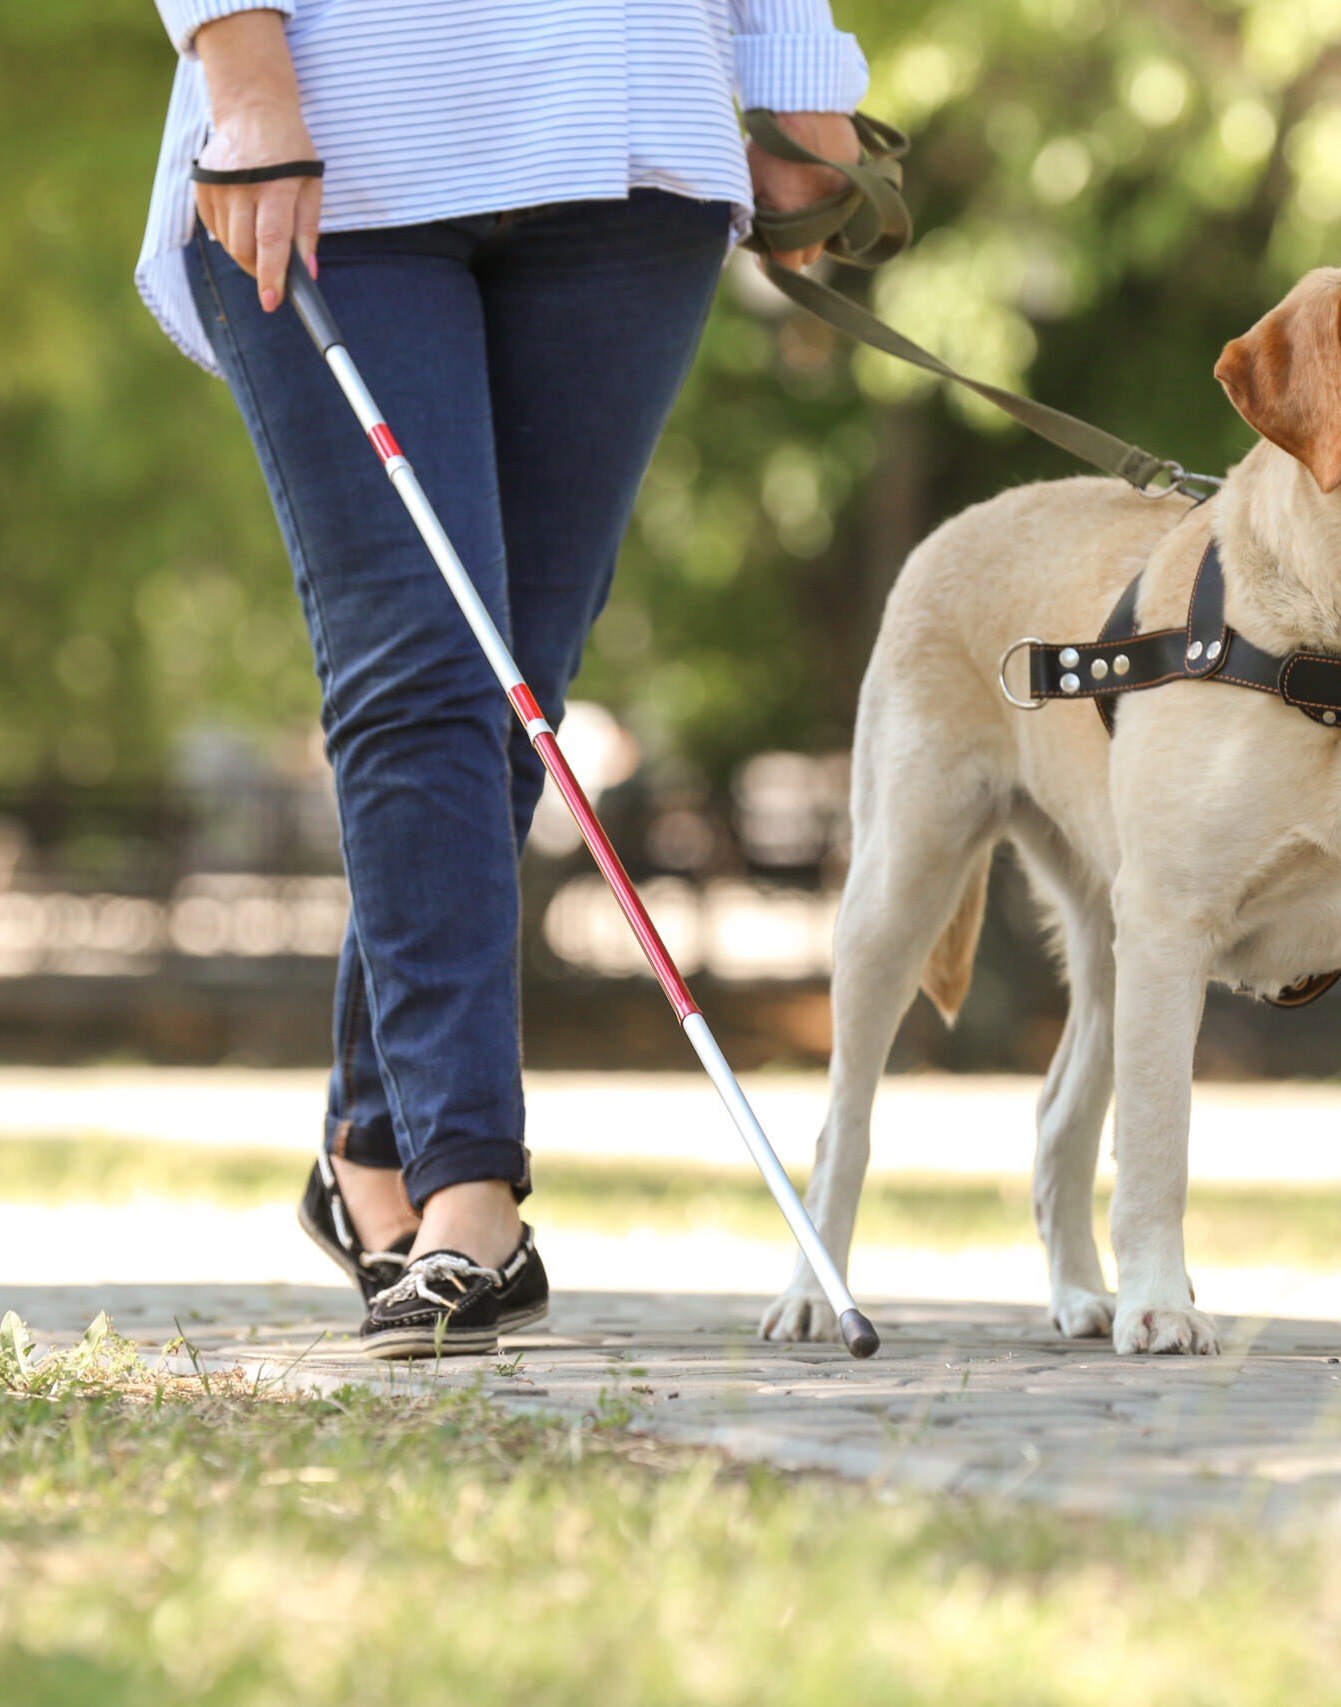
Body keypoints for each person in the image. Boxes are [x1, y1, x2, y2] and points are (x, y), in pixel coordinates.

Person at [138, 2, 866, 1357]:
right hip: (343, 127)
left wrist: (804, 92)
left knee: (510, 695)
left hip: (632, 136)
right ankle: (468, 1202)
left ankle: (373, 1138)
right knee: (422, 671)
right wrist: (243, 82)